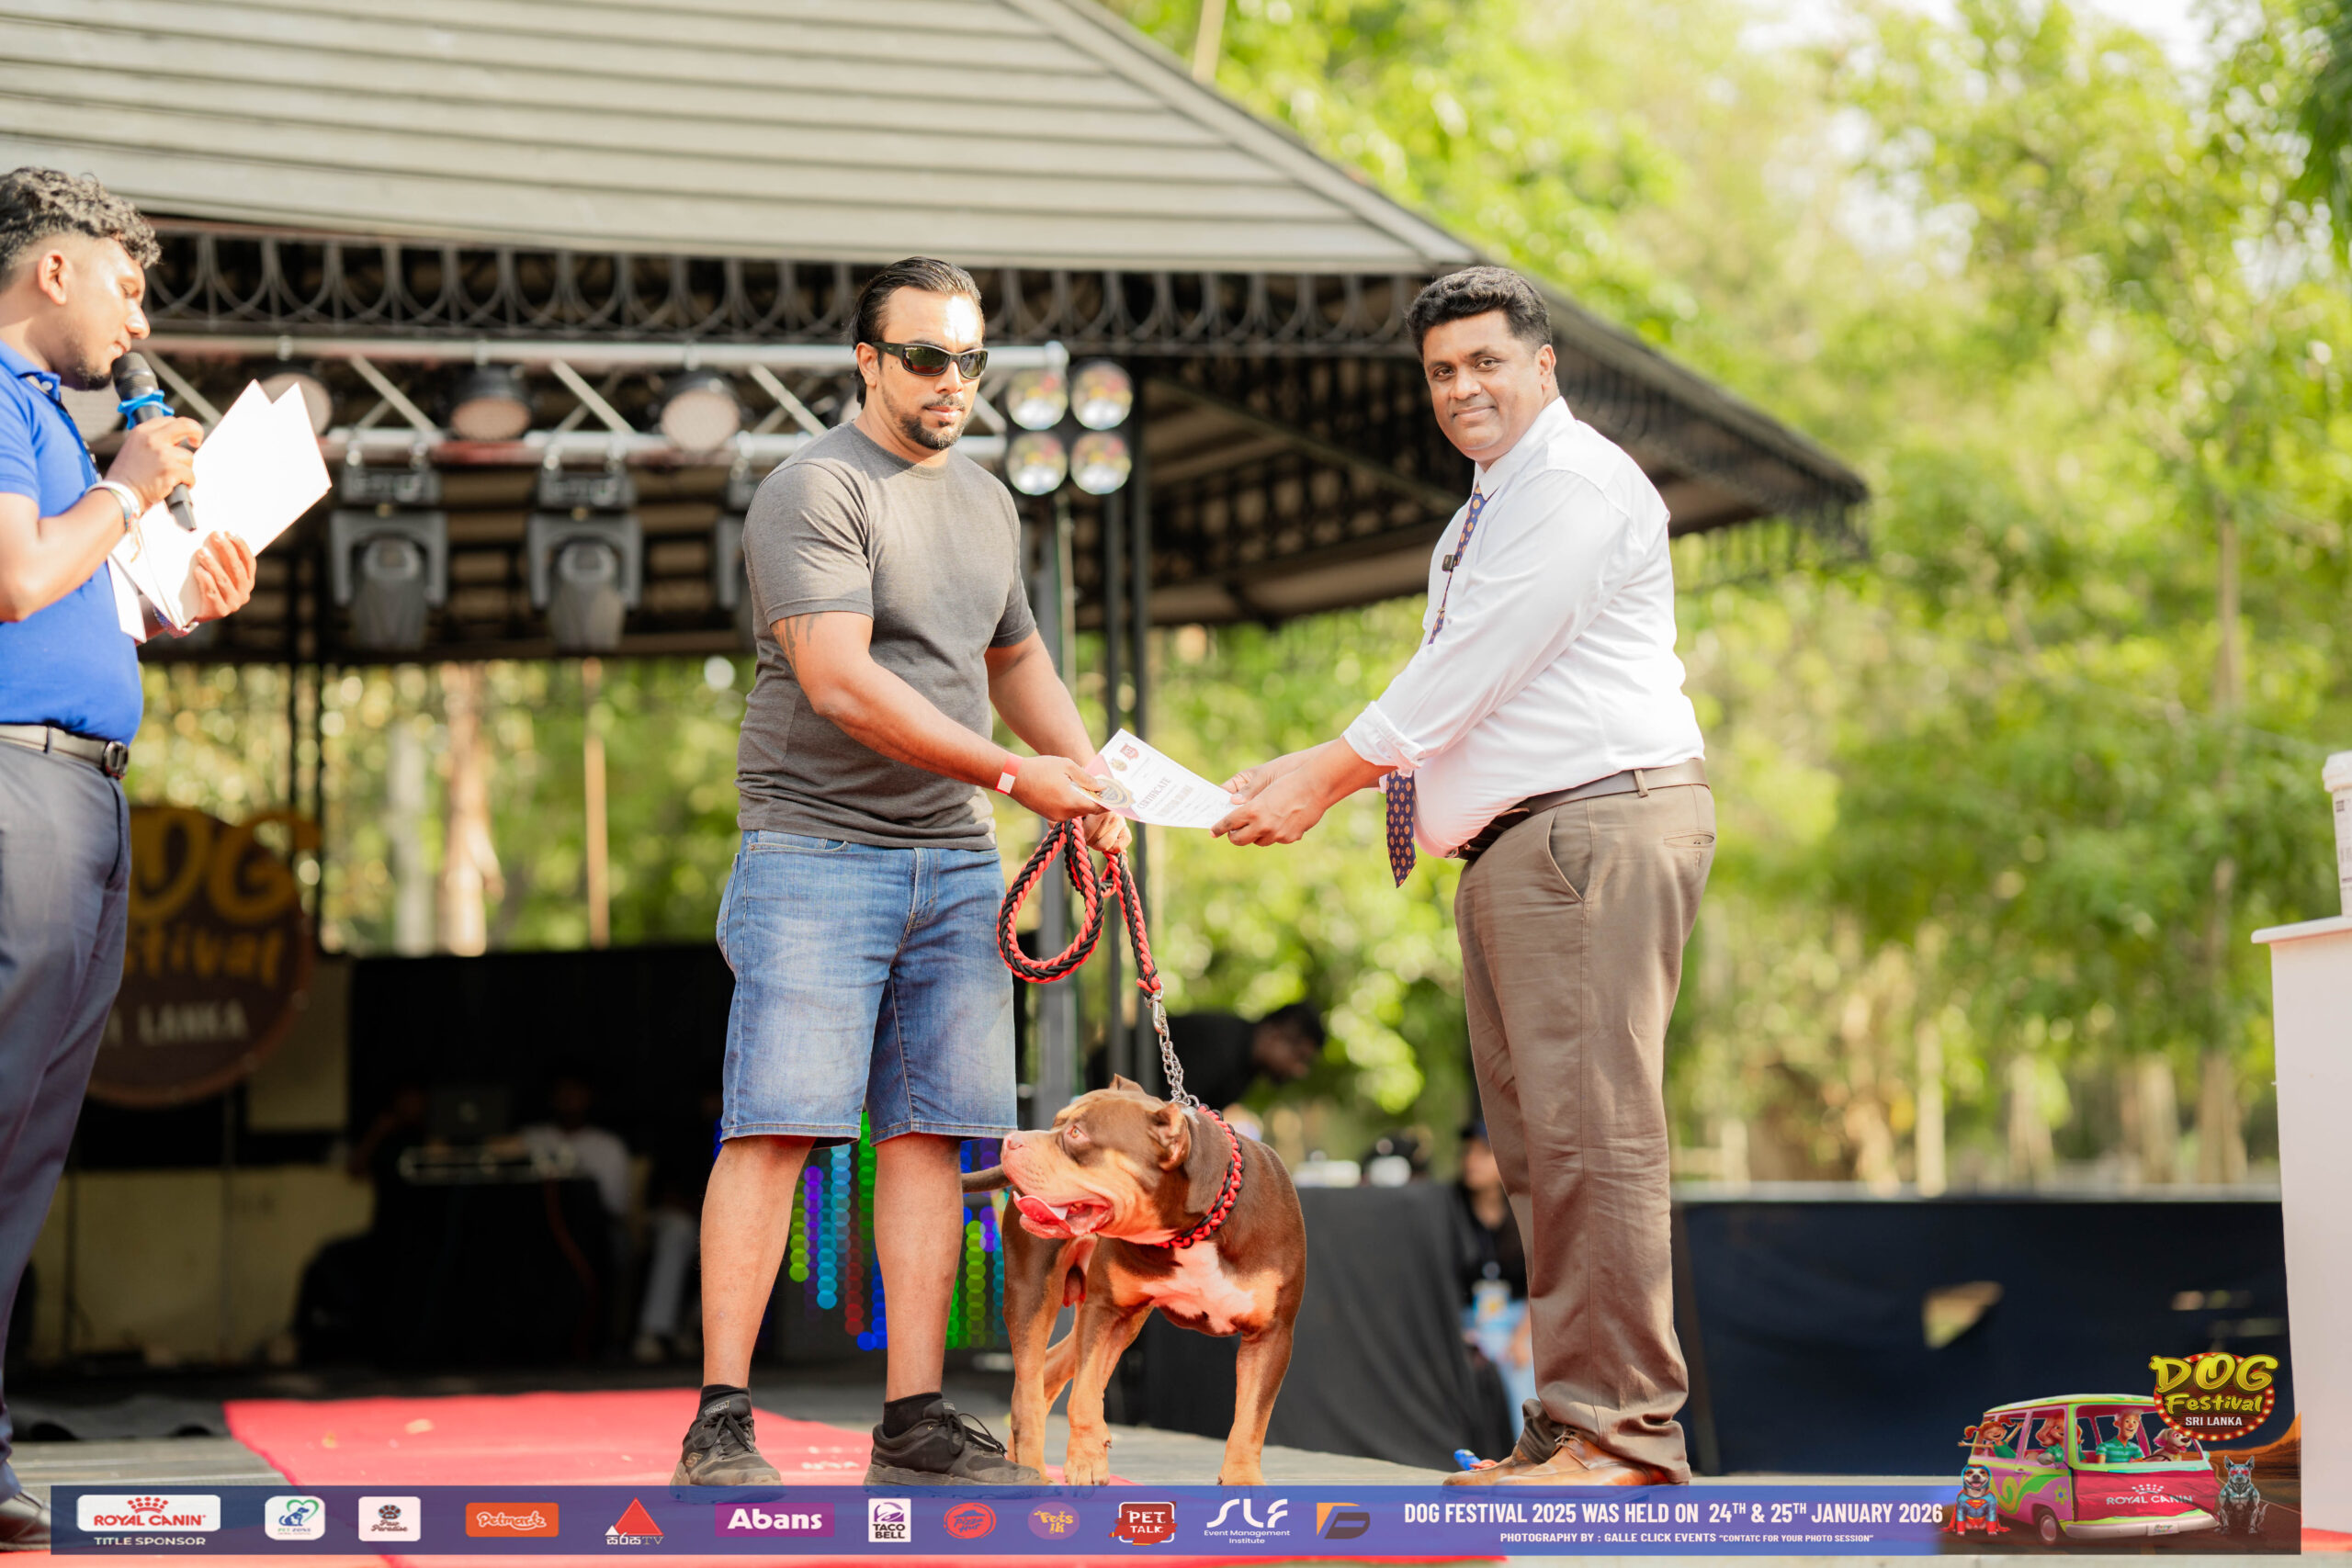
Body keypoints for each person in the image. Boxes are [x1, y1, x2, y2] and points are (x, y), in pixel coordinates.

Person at [1215, 265, 1713, 1487]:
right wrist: (1321, 769)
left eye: (1485, 361)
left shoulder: (1573, 485)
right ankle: (1571, 1420)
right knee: (1540, 1153)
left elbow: (1474, 666)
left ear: (1544, 364)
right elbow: (1462, 689)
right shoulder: (1488, 509)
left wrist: (1325, 772)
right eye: (1440, 370)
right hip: (1523, 846)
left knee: (1591, 1139)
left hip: (1590, 826)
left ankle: (1626, 1433)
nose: (1460, 388)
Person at [674, 256, 1127, 1488]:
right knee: (775, 1126)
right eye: (925, 356)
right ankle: (720, 1420)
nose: (951, 380)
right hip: (811, 850)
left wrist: (1091, 781)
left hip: (956, 861)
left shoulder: (987, 500)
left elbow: (1015, 659)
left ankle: (914, 1418)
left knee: (930, 1137)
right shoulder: (813, 488)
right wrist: (1018, 775)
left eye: (970, 359)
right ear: (868, 360)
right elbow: (839, 681)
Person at [0, 167, 257, 1550]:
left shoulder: (53, 413)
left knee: (29, 1142)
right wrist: (124, 484)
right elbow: (14, 578)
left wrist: (177, 599)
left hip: (85, 795)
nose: (139, 319)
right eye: (126, 283)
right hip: (16, 787)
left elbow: (80, 595)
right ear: (53, 269)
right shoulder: (2, 396)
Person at [1146, 1000, 1321, 1110]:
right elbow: (1170, 1113)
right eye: (1300, 1057)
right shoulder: (1222, 1046)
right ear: (1275, 1035)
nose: (1300, 1071)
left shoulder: (1244, 1067)